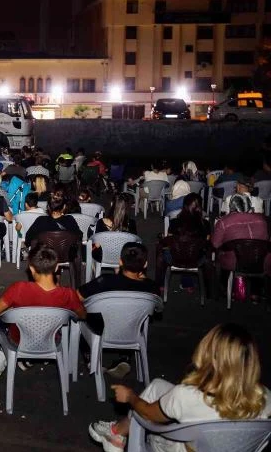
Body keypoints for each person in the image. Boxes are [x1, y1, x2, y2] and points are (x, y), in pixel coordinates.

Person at [88, 323, 271, 452]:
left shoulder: (187, 396)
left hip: (180, 448)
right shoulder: (266, 398)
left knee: (149, 412)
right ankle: (117, 432)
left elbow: (148, 413)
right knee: (157, 386)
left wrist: (130, 397)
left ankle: (116, 435)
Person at [0, 245, 86, 368]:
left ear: (31, 269)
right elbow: (82, 315)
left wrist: (12, 310)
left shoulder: (19, 289)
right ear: (56, 268)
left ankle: (20, 358)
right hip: (51, 341)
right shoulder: (68, 294)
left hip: (19, 341)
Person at [78, 242, 159, 379]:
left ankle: (90, 359)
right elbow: (158, 307)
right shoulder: (152, 288)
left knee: (81, 318)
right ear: (145, 265)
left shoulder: (105, 281)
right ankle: (125, 358)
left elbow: (78, 296)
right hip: (132, 328)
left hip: (102, 328)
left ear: (120, 261)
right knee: (129, 316)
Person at [211, 194, 271, 300]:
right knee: (256, 253)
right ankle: (255, 292)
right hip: (261, 261)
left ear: (231, 207)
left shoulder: (224, 222)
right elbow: (265, 239)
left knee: (218, 255)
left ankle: (225, 290)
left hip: (235, 262)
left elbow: (215, 244)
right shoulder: (262, 220)